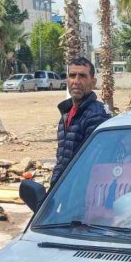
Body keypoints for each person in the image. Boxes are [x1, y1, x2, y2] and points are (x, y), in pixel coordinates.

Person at [50, 57, 111, 186]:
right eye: (72, 75)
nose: (76, 81)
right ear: (67, 80)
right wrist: (54, 188)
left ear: (93, 82)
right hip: (64, 188)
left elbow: (93, 164)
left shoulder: (97, 116)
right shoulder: (66, 113)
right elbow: (62, 158)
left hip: (82, 193)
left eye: (82, 76)